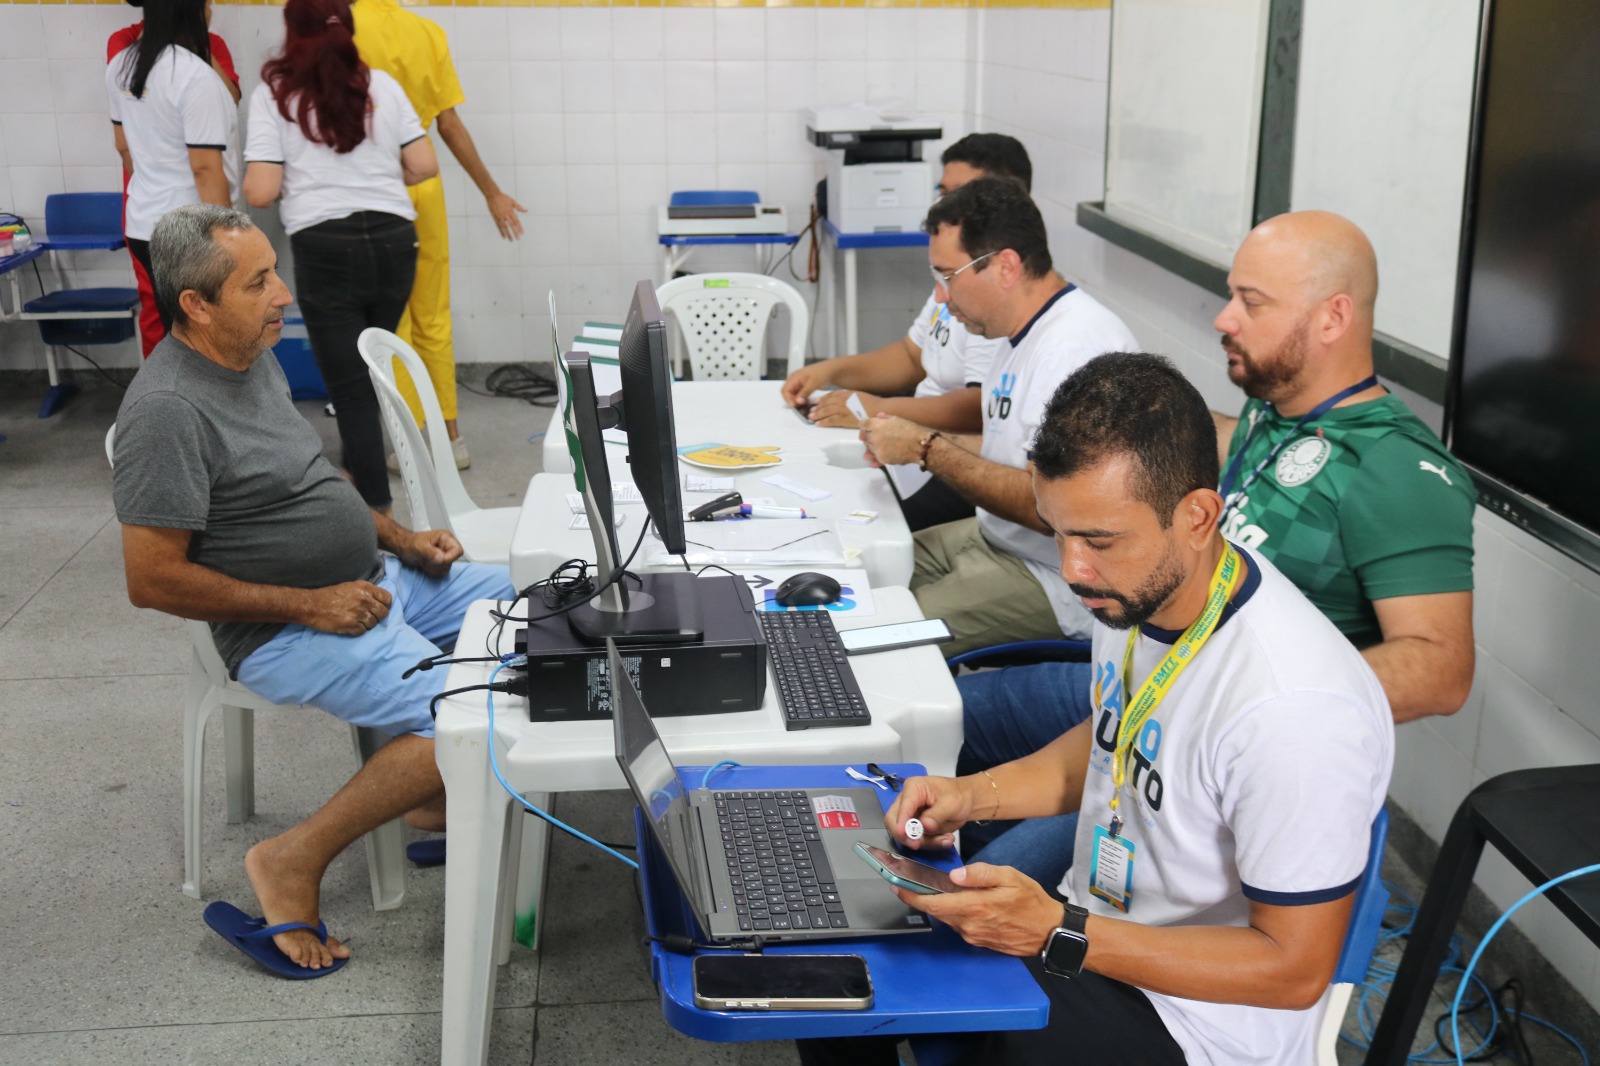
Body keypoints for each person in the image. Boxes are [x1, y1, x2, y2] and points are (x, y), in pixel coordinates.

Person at [800, 352, 1394, 1066]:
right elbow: (1111, 739)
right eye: (1059, 531)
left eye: (1099, 541)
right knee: (825, 960)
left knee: (958, 1020)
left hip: (1198, 1027)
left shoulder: (1294, 712)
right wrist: (971, 795)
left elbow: (1293, 971)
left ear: (1199, 515)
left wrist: (1057, 930)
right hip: (1091, 934)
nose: (1074, 568)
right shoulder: (1137, 588)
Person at [958, 210, 1476, 886]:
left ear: (1331, 318)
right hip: (1134, 679)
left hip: (1199, 734)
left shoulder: (1395, 471)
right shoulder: (1275, 410)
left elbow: (1442, 671)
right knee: (948, 714)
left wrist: (1224, 703)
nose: (1224, 318)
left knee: (993, 883)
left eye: (1250, 303)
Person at [112, 205, 515, 974]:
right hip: (284, 629)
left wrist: (401, 538)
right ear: (196, 304)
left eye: (275, 272)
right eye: (258, 281)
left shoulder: (250, 355)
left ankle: (426, 798)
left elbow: (308, 481)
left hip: (371, 579)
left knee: (541, 605)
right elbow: (150, 579)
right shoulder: (166, 412)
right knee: (479, 720)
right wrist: (309, 605)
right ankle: (292, 858)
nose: (282, 295)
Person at [856, 177, 1139, 656]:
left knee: (878, 643)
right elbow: (1004, 451)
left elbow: (1047, 509)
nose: (942, 299)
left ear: (1006, 265)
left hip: (1059, 578)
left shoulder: (1076, 350)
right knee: (856, 579)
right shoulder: (1019, 336)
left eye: (949, 277)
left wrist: (926, 449)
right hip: (995, 539)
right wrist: (912, 435)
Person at [243, 0, 440, 512]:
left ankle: (381, 517)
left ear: (292, 33)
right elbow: (423, 163)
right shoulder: (382, 87)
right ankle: (359, 471)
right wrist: (372, 177)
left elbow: (261, 191)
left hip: (327, 248)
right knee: (371, 373)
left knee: (350, 389)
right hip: (397, 241)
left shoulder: (276, 95)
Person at [780, 134, 1031, 530]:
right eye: (943, 192)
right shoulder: (956, 276)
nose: (945, 206)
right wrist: (828, 371)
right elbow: (911, 355)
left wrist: (876, 409)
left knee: (839, 521)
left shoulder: (994, 296)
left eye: (963, 195)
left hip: (950, 459)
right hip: (919, 444)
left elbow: (979, 406)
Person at [351, 0, 528, 471]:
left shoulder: (342, 27)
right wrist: (493, 193)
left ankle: (407, 442)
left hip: (368, 186)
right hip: (423, 187)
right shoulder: (427, 32)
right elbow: (447, 124)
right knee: (434, 316)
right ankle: (452, 439)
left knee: (393, 322)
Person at [108, 0, 239, 357]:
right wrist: (230, 239)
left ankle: (168, 409)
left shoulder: (121, 65)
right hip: (190, 234)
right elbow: (205, 169)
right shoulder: (195, 76)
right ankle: (189, 412)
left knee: (176, 343)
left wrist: (158, 184)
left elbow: (124, 148)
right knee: (207, 348)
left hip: (144, 229)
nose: (212, 8)